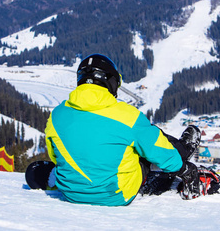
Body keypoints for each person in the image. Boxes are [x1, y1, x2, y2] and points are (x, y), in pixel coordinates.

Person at [44, 53, 206, 206]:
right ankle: (182, 152)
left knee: (135, 137)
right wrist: (183, 169)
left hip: (71, 194)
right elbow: (158, 151)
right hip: (116, 195)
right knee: (149, 137)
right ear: (111, 82)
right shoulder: (127, 116)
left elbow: (54, 155)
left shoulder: (57, 115)